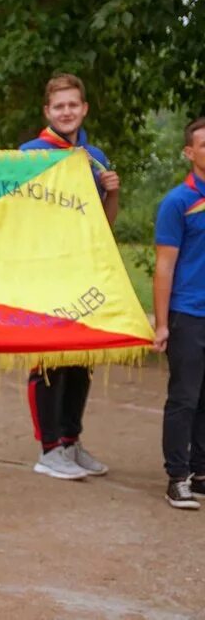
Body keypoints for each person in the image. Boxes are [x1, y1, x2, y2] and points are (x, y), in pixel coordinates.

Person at [19, 73, 121, 481]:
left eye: (73, 105)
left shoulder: (94, 157)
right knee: (48, 359)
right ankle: (49, 449)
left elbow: (106, 224)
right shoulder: (30, 153)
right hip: (45, 269)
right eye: (58, 106)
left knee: (81, 357)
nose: (66, 112)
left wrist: (111, 192)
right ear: (47, 111)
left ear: (84, 109)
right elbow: (17, 215)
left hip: (85, 269)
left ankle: (71, 440)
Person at [153, 116, 205, 510]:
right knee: (184, 398)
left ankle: (201, 472)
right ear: (189, 152)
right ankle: (177, 476)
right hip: (187, 314)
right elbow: (165, 267)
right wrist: (161, 323)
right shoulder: (178, 202)